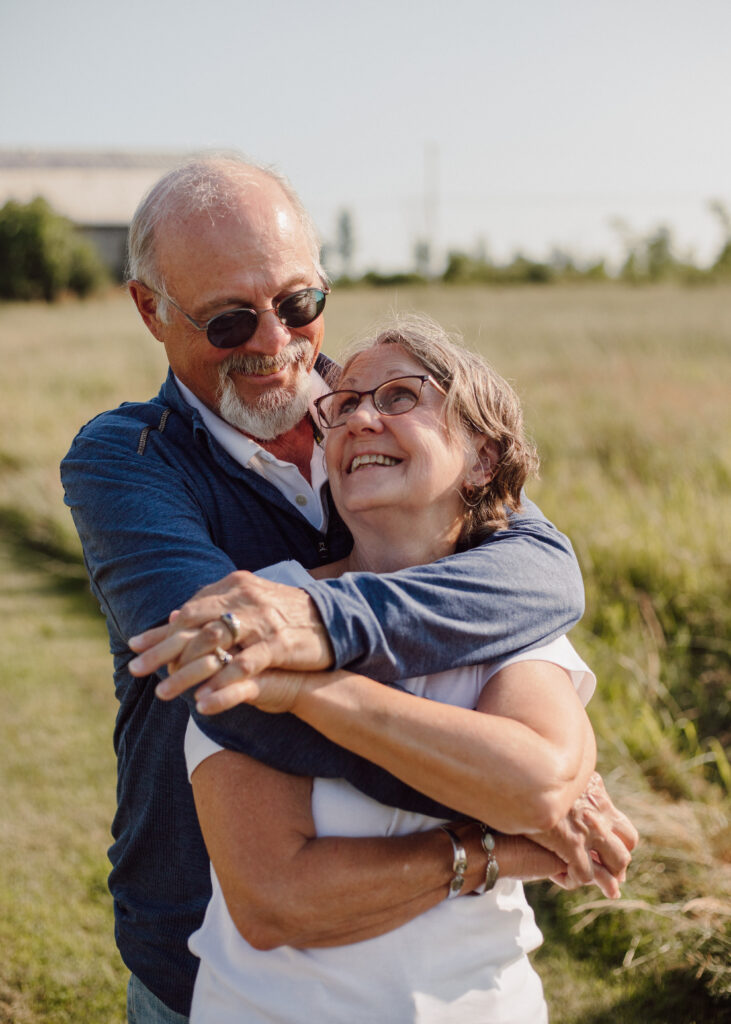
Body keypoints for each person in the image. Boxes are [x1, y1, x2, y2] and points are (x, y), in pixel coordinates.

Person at [61, 154, 633, 1023]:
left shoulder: (393, 428)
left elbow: (540, 569)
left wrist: (310, 623)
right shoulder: (128, 462)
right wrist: (508, 814)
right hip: (201, 941)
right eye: (227, 321)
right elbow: (227, 688)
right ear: (151, 309)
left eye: (298, 305)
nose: (273, 342)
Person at [143, 316, 606, 1022]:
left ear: (482, 459)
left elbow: (535, 782)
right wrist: (493, 851)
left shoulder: (513, 611)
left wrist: (309, 687)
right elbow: (275, 901)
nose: (358, 417)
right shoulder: (258, 605)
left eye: (397, 397)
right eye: (344, 404)